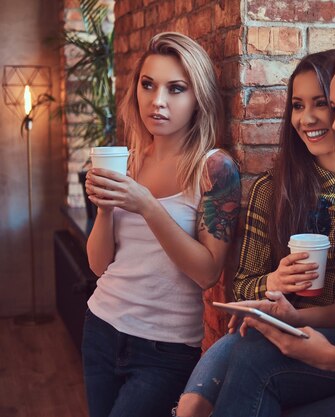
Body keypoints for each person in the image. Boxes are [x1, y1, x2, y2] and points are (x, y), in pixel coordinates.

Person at [205, 41, 335, 417]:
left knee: (251, 356)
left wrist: (329, 352)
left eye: (328, 103)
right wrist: (276, 284)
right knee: (243, 349)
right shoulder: (277, 190)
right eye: (298, 106)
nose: (315, 119)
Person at [82, 32, 241, 417]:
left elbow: (207, 272)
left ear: (197, 97)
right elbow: (99, 266)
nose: (157, 101)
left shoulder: (215, 169)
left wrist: (148, 206)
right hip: (101, 327)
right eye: (148, 84)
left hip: (164, 350)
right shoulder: (129, 160)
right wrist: (105, 209)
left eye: (176, 89)